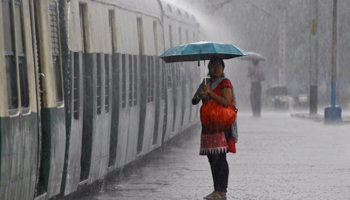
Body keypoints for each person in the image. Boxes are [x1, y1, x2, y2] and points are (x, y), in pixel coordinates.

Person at [192, 57, 238, 199]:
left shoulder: (225, 83)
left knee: (220, 157)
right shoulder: (205, 82)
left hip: (221, 125)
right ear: (209, 68)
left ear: (223, 68)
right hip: (209, 126)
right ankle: (216, 189)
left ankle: (222, 190)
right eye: (213, 66)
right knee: (212, 158)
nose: (216, 68)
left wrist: (210, 94)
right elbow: (194, 101)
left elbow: (226, 102)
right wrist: (200, 95)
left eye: (219, 66)